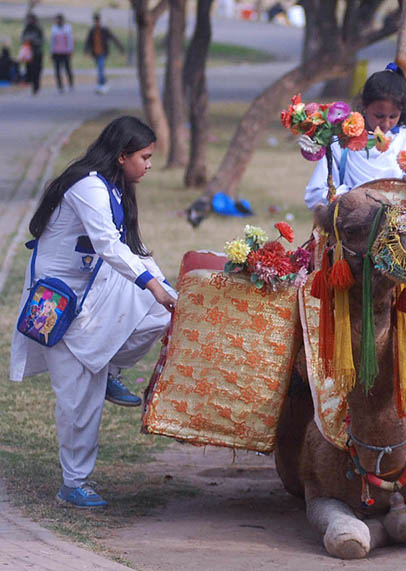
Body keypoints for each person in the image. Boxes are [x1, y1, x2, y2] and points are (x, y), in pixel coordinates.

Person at [9, 116, 176, 508]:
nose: (149, 164)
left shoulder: (115, 189)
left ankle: (111, 371)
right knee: (76, 401)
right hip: (57, 303)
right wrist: (151, 285)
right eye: (145, 156)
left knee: (162, 311)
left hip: (95, 292)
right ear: (122, 156)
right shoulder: (88, 187)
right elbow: (107, 245)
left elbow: (131, 250)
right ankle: (74, 484)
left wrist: (165, 287)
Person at [304, 64, 406, 209]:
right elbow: (315, 194)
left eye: (393, 116)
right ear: (365, 106)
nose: (385, 123)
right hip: (351, 226)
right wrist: (350, 198)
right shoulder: (341, 142)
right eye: (379, 116)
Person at [84, 12, 123, 94]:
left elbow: (113, 38)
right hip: (95, 53)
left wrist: (120, 47)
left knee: (100, 69)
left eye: (97, 21)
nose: (96, 23)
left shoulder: (104, 30)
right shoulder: (92, 31)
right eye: (95, 21)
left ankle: (101, 85)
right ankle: (103, 84)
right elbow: (88, 42)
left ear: (99, 21)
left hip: (103, 52)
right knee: (100, 69)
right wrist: (86, 51)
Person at [20, 12, 43, 94]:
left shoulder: (38, 29)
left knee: (37, 70)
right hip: (28, 54)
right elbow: (22, 39)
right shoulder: (26, 29)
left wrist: (34, 41)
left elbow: (41, 41)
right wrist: (27, 40)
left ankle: (36, 86)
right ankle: (30, 83)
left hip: (37, 53)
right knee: (29, 70)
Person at [50, 13, 74, 93]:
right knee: (57, 71)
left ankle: (71, 85)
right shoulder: (54, 29)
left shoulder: (67, 28)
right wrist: (52, 51)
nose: (58, 21)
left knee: (68, 69)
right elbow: (52, 41)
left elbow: (70, 40)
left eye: (59, 20)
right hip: (57, 52)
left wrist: (70, 50)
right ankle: (60, 87)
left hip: (65, 52)